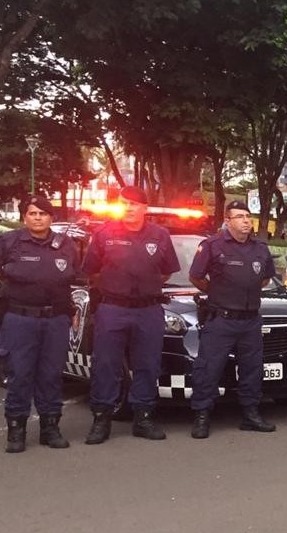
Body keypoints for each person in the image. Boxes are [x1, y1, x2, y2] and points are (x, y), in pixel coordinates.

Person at [81, 186, 181, 443]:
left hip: (148, 309)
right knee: (106, 365)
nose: (128, 208)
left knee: (147, 365)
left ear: (144, 208)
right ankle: (101, 419)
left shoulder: (160, 235)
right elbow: (92, 271)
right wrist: (116, 286)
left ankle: (143, 418)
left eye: (134, 204)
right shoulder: (104, 234)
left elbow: (167, 271)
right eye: (124, 203)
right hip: (113, 308)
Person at [0, 196, 79, 453]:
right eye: (32, 213)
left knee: (51, 375)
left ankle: (50, 428)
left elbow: (74, 274)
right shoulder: (9, 241)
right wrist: (16, 281)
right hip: (20, 318)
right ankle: (17, 430)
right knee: (20, 374)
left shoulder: (66, 244)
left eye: (43, 213)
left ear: (51, 217)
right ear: (24, 217)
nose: (38, 217)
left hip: (55, 320)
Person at [186, 200, 278, 439]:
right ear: (228, 221)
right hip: (221, 319)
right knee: (209, 368)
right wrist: (218, 291)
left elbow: (266, 278)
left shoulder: (260, 248)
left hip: (250, 320)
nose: (246, 220)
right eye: (240, 217)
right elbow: (196, 276)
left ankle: (250, 414)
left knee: (252, 369)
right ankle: (202, 415)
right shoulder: (212, 245)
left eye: (248, 216)